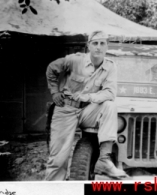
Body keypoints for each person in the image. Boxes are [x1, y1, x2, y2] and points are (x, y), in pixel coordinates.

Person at [44, 30, 127, 180]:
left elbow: (110, 93)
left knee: (110, 106)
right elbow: (51, 68)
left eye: (102, 43)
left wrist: (88, 96)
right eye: (95, 43)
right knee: (58, 160)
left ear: (107, 46)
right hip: (66, 109)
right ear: (88, 45)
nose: (98, 47)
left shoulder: (110, 66)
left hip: (87, 110)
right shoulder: (74, 61)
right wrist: (55, 92)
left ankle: (104, 160)